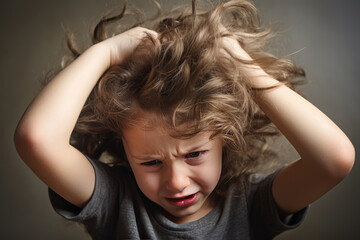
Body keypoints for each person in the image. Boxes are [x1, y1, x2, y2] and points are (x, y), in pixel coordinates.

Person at [14, 0, 355, 239]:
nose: (176, 181)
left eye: (194, 154)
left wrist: (242, 65)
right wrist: (105, 54)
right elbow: (35, 139)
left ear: (226, 137)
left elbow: (334, 160)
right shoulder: (114, 201)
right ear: (125, 149)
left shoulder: (251, 204)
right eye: (150, 162)